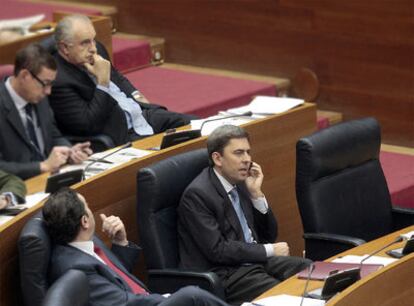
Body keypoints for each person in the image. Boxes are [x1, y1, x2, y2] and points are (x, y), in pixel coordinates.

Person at [178, 125, 312, 305]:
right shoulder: (197, 195)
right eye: (239, 153)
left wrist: (256, 195)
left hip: (253, 262)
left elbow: (268, 235)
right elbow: (218, 250)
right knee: (285, 296)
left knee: (312, 273)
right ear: (218, 158)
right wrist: (269, 250)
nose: (247, 159)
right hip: (228, 274)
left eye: (248, 152)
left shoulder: (239, 182)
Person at [42, 188, 230, 306]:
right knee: (191, 296)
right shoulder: (74, 267)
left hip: (142, 299)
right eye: (88, 207)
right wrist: (165, 298)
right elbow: (121, 302)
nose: (91, 211)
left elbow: (116, 279)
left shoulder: (81, 244)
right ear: (84, 221)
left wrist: (120, 242)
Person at [49, 14, 196, 146]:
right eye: (85, 43)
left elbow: (117, 77)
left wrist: (137, 95)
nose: (93, 48)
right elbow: (88, 124)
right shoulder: (59, 80)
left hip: (143, 116)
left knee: (199, 127)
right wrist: (103, 83)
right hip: (122, 132)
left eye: (93, 40)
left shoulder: (96, 50)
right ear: (64, 48)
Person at [0, 43, 92, 180]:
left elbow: (53, 135)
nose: (48, 91)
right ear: (25, 75)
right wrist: (42, 166)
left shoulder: (38, 97)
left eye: (51, 84)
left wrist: (69, 151)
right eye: (45, 83)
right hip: (17, 187)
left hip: (50, 178)